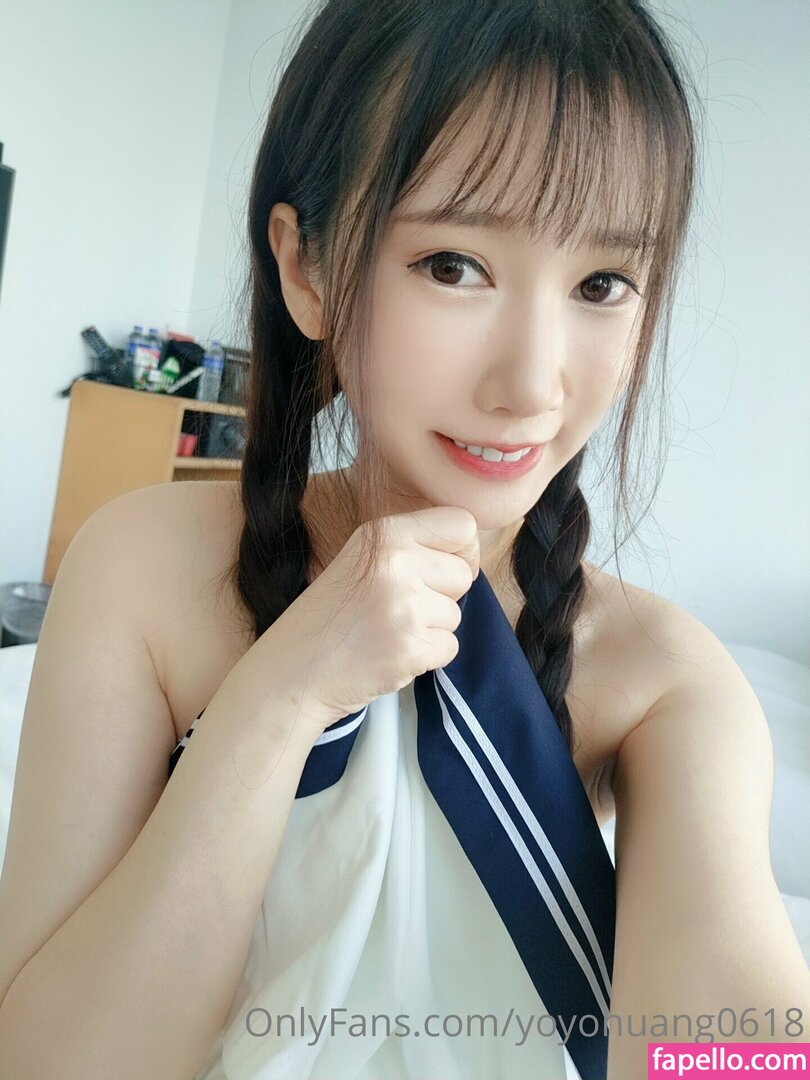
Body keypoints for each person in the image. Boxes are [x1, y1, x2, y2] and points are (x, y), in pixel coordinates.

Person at [1, 2, 808, 1078]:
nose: (532, 384)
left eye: (601, 285)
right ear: (307, 268)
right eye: (453, 265)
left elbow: (731, 1045)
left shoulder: (666, 682)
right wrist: (280, 696)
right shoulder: (142, 571)